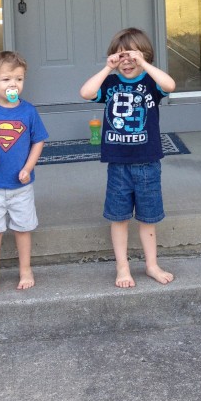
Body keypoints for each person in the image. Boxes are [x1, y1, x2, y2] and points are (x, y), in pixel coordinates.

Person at [80, 27, 176, 288]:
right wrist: (106, 69)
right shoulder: (110, 84)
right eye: (121, 57)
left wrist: (143, 62)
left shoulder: (151, 83)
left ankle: (151, 265)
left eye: (133, 56)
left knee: (148, 219)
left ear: (145, 57)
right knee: (119, 218)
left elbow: (170, 85)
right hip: (118, 164)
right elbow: (86, 93)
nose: (127, 62)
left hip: (147, 163)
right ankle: (122, 267)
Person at [0, 50, 48, 293]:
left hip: (21, 185)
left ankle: (26, 269)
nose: (14, 84)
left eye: (19, 79)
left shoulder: (28, 112)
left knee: (23, 229)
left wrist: (28, 167)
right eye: (6, 79)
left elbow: (39, 141)